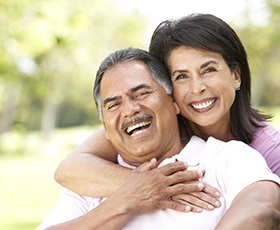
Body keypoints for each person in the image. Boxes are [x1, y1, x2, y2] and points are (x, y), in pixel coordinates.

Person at [54, 13, 280, 211]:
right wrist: (155, 185)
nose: (197, 87)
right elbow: (69, 169)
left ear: (236, 76)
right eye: (181, 76)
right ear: (167, 90)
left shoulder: (269, 150)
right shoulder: (156, 124)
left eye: (208, 70)